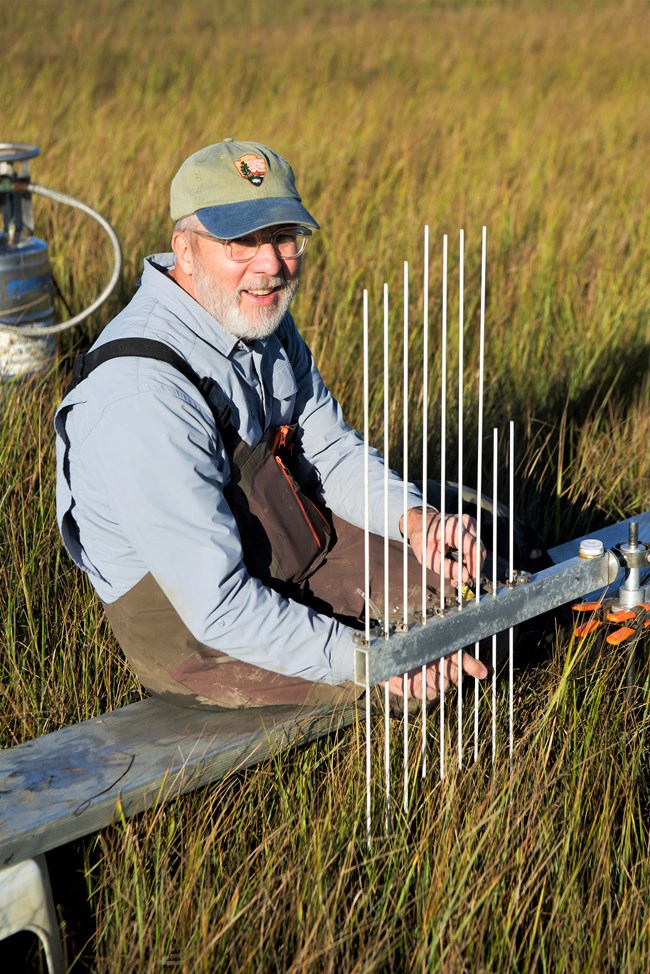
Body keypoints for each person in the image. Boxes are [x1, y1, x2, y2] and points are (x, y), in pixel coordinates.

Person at [55, 139, 488, 710]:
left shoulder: (256, 314)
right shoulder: (140, 394)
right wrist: (367, 658)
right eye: (241, 241)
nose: (271, 265)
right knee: (418, 678)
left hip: (297, 547)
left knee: (472, 593)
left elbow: (329, 450)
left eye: (284, 237)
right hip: (197, 634)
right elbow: (217, 605)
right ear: (184, 251)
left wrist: (413, 521)